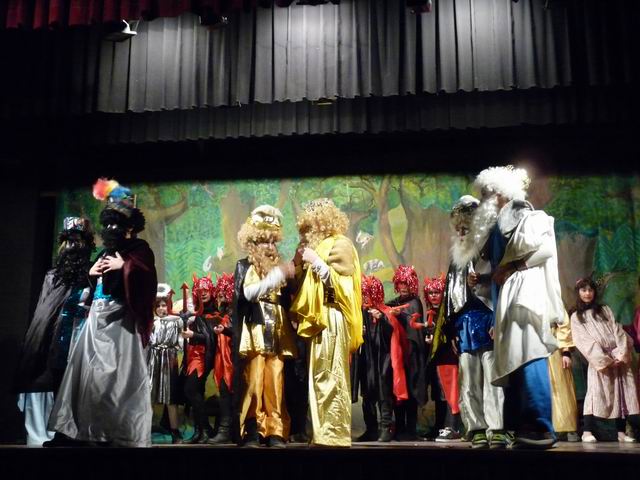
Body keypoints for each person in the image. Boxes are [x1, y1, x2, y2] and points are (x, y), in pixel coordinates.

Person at [48, 178, 157, 447]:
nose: (110, 229)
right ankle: (79, 431)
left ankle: (111, 433)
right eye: (107, 224)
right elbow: (93, 284)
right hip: (96, 321)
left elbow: (147, 276)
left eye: (116, 224)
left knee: (112, 379)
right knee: (86, 375)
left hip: (120, 323)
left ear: (129, 227)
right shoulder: (105, 252)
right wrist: (91, 273)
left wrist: (126, 266)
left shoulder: (139, 250)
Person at [472, 166, 564, 449]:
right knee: (514, 358)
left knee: (528, 352)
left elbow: (543, 249)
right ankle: (519, 427)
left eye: (489, 193)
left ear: (501, 192)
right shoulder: (498, 222)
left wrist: (514, 267)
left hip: (524, 294)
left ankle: (539, 427)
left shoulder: (518, 211)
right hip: (510, 297)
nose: (486, 199)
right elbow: (499, 269)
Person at [14, 217, 94, 445]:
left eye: (78, 240)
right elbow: (44, 310)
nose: (73, 246)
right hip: (60, 339)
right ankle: (61, 432)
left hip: (84, 337)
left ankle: (81, 432)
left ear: (86, 244)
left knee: (82, 384)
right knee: (59, 381)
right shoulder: (53, 276)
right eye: (69, 241)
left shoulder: (92, 273)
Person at [291, 198, 362, 447]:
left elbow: (343, 287)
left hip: (332, 316)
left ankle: (334, 435)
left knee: (331, 375)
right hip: (319, 320)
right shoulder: (317, 248)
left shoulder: (340, 244)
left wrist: (317, 262)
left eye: (311, 227)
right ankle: (323, 433)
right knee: (320, 377)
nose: (307, 232)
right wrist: (300, 264)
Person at [233, 205, 297, 448]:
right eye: (264, 241)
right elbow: (248, 293)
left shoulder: (281, 266)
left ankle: (275, 431)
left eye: (273, 241)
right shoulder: (246, 265)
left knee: (275, 381)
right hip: (256, 328)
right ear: (253, 243)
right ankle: (253, 429)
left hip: (278, 329)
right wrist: (277, 275)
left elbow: (290, 298)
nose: (270, 247)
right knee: (255, 380)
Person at [445, 195, 505, 449]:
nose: (461, 233)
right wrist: (451, 331)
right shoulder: (456, 258)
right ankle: (476, 427)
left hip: (489, 320)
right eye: (458, 228)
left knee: (493, 378)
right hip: (465, 326)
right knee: (469, 380)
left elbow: (503, 282)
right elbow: (451, 298)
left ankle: (497, 427)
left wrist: (483, 280)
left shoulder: (491, 251)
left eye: (465, 228)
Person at [570, 278, 640, 443]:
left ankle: (621, 432)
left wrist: (621, 353)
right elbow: (584, 341)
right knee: (595, 393)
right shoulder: (576, 316)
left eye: (590, 290)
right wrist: (604, 359)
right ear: (578, 293)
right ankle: (587, 431)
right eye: (584, 290)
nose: (587, 293)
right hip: (600, 361)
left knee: (622, 393)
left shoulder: (604, 309)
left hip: (618, 356)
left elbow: (617, 330)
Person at [352, 275, 408, 442]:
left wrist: (382, 319)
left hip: (383, 358)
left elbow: (392, 333)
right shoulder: (360, 313)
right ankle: (371, 429)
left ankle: (385, 427)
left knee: (384, 393)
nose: (365, 298)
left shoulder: (385, 311)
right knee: (368, 394)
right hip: (367, 359)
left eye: (367, 294)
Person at [386, 265, 427, 441]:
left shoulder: (415, 302)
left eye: (406, 283)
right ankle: (399, 427)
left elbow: (411, 322)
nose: (403, 287)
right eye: (400, 283)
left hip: (412, 354)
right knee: (398, 391)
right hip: (398, 353)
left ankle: (410, 429)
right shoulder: (394, 302)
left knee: (411, 389)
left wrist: (396, 314)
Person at [425, 274, 464, 443]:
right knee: (440, 394)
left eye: (437, 292)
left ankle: (453, 427)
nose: (434, 296)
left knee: (450, 393)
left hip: (449, 357)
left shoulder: (448, 311)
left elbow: (451, 331)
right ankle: (440, 426)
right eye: (431, 293)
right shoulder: (431, 313)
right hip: (437, 359)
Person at [181, 274, 217, 444]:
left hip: (202, 357)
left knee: (190, 389)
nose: (203, 293)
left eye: (206, 290)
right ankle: (199, 431)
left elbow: (212, 338)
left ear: (211, 291)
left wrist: (193, 334)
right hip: (191, 355)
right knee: (197, 392)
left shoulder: (214, 313)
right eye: (200, 290)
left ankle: (206, 429)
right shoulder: (195, 312)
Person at [148, 283, 183, 444]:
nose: (162, 309)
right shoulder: (151, 323)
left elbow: (181, 342)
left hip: (169, 359)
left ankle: (175, 432)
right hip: (153, 359)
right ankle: (145, 430)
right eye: (159, 306)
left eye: (164, 305)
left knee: (171, 398)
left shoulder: (175, 322)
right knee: (150, 395)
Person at [208, 273, 235, 445]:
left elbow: (239, 334)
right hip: (222, 360)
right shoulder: (219, 313)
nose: (221, 296)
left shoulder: (237, 312)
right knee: (224, 392)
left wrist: (225, 330)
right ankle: (224, 430)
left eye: (225, 292)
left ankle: (234, 430)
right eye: (219, 293)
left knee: (234, 393)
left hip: (235, 359)